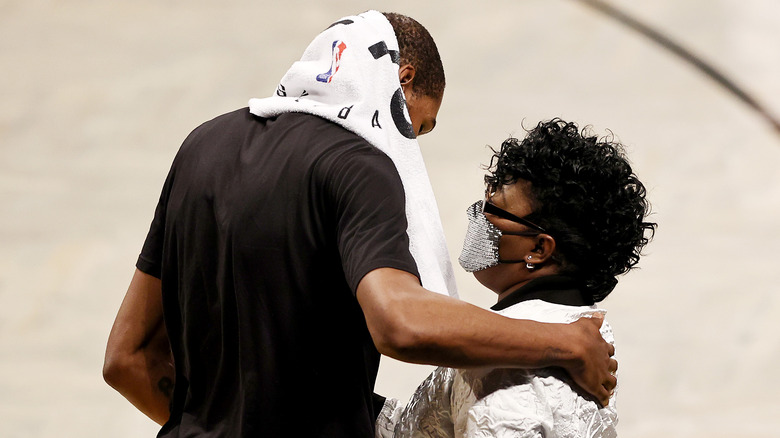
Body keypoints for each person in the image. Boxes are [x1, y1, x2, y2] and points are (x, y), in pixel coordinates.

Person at [103, 11, 617, 437]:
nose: (412, 142)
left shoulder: (202, 146)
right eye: (421, 125)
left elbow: (125, 359)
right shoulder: (360, 166)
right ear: (402, 80)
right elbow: (402, 323)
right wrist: (565, 343)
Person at [377, 119, 656, 438]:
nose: (479, 215)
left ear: (539, 248)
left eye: (495, 209)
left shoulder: (509, 359)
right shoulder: (587, 330)